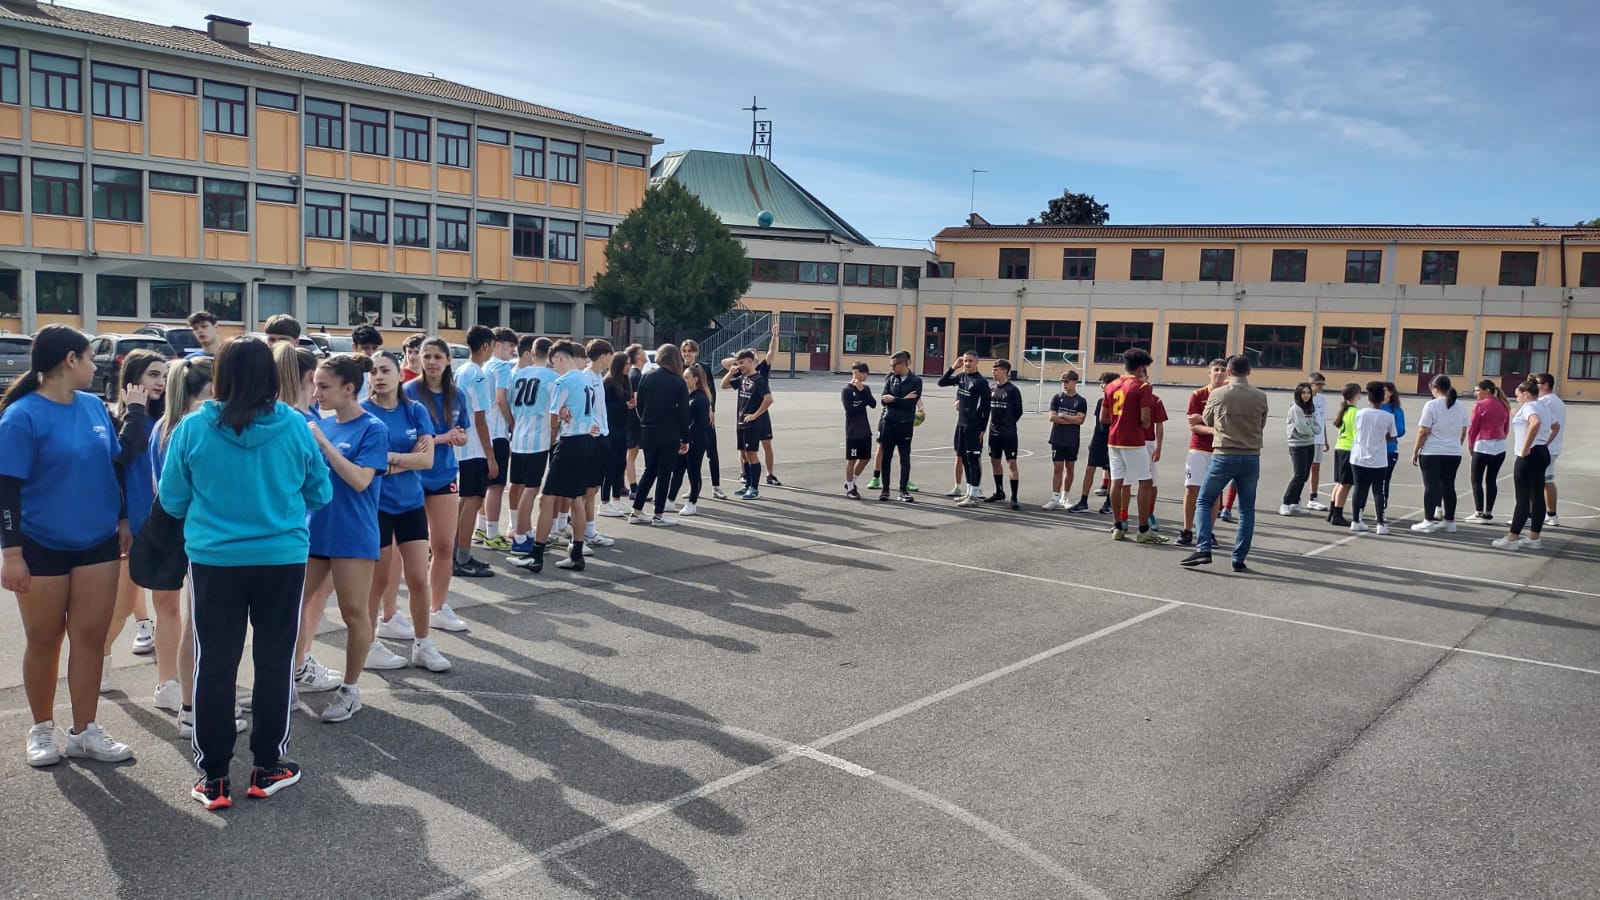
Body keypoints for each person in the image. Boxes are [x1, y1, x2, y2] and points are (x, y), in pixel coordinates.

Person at [158, 336, 331, 810]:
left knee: (215, 663)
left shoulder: (193, 428)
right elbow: (320, 493)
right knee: (274, 661)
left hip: (215, 560)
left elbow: (172, 499)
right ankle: (268, 765)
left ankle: (214, 776)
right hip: (281, 557)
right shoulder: (295, 426)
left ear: (221, 374)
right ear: (272, 377)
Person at [2, 325, 144, 767]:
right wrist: (11, 554)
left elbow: (113, 467)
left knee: (90, 637)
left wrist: (121, 517)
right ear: (69, 360)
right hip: (40, 545)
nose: (95, 365)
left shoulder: (92, 406)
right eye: (89, 357)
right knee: (44, 640)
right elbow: (6, 491)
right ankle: (42, 728)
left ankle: (84, 730)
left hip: (97, 541)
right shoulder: (21, 416)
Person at [150, 359, 245, 740]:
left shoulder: (170, 427)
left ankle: (197, 702)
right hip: (198, 539)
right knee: (200, 625)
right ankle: (192, 707)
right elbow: (176, 495)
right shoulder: (188, 429)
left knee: (201, 624)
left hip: (192, 537)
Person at [304, 354, 387, 722]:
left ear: (349, 389)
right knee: (290, 607)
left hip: (354, 533)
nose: (317, 392)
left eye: (324, 386)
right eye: (316, 385)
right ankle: (288, 677)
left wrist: (322, 441)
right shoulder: (326, 424)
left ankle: (350, 689)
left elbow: (360, 480)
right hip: (316, 530)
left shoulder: (373, 428)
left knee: (355, 613)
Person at [363, 352, 449, 675]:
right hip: (377, 506)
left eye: (385, 370)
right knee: (379, 580)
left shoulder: (415, 411)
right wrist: (405, 457)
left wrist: (391, 459)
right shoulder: (364, 413)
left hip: (411, 504)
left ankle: (423, 644)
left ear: (400, 374)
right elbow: (370, 465)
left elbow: (426, 461)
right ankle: (369, 644)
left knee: (417, 577)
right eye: (373, 371)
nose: (378, 376)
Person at [100, 351, 168, 701]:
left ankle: (170, 681)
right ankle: (101, 660)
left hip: (166, 529)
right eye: (153, 374)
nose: (160, 382)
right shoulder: (118, 420)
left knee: (169, 608)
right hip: (133, 529)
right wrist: (123, 518)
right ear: (132, 380)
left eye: (164, 375)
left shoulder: (171, 419)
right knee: (122, 606)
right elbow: (119, 466)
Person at [511, 340, 597, 573]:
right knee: (576, 498)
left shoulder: (564, 380)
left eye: (554, 364)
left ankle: (536, 555)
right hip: (586, 441)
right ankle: (577, 554)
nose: (555, 369)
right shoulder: (586, 379)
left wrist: (559, 418)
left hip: (568, 443)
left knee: (546, 498)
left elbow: (552, 421)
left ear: (558, 358)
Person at [404, 338, 470, 631]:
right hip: (412, 478)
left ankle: (439, 607)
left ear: (447, 361)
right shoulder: (408, 392)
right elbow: (408, 439)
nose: (431, 361)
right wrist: (443, 438)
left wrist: (459, 438)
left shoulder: (457, 395)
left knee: (443, 546)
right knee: (404, 551)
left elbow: (463, 432)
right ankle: (391, 613)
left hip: (444, 475)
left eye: (437, 357)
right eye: (426, 356)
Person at [1180, 355, 1269, 572]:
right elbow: (1262, 424)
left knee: (1204, 500)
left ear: (1228, 372)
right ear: (1249, 371)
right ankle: (1239, 557)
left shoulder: (1218, 394)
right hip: (1250, 455)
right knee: (1247, 509)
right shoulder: (1260, 396)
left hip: (1224, 453)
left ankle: (1203, 547)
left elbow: (1208, 420)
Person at [451, 326, 497, 578]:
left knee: (464, 502)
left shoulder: (461, 371)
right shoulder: (478, 374)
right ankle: (462, 557)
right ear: (486, 346)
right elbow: (480, 418)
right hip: (473, 448)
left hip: (462, 446)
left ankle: (457, 553)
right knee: (472, 501)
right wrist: (490, 455)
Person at [1102, 348, 1161, 542]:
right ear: (1142, 366)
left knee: (1117, 481)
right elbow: (1145, 420)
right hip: (1133, 440)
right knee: (1145, 482)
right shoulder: (1142, 387)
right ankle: (1143, 530)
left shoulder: (1111, 385)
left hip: (1113, 439)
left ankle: (1118, 526)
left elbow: (1104, 417)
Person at [628, 344, 690, 526]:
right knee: (664, 474)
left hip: (648, 430)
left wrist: (645, 420)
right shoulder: (678, 381)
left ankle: (636, 511)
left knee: (649, 471)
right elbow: (683, 413)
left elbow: (639, 404)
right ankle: (658, 514)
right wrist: (685, 438)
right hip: (669, 432)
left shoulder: (647, 377)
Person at [507, 337, 558, 555]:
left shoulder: (518, 374)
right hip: (537, 438)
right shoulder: (552, 377)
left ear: (533, 352)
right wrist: (554, 433)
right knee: (531, 488)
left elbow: (510, 403)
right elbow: (555, 410)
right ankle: (520, 537)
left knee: (518, 486)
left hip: (518, 435)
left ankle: (524, 531)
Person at [1493, 381, 1549, 550]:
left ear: (1525, 394)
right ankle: (1534, 537)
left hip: (1529, 454)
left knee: (1523, 498)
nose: (1517, 399)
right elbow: (1554, 426)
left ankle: (1512, 537)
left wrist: (1525, 447)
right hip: (1541, 451)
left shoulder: (1529, 407)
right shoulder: (1542, 406)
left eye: (1518, 396)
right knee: (1537, 496)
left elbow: (1535, 422)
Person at [1410, 374, 1469, 533]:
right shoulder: (1460, 406)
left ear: (1434, 388)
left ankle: (1428, 520)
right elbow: (1464, 431)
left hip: (1433, 451)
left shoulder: (1431, 405)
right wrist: (1456, 445)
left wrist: (1416, 450)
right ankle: (1449, 521)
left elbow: (1423, 430)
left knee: (1431, 486)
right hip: (1453, 452)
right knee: (1449, 486)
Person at [477, 327, 518, 551]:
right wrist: (513, 424)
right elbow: (501, 399)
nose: (513, 351)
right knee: (496, 485)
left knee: (485, 484)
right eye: (510, 345)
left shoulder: (484, 366)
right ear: (498, 344)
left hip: (483, 432)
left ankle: (482, 527)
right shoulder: (502, 367)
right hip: (497, 431)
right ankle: (492, 534)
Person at [1179, 360, 1227, 544]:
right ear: (1209, 373)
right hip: (1198, 448)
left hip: (1220, 450)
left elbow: (1228, 424)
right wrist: (1214, 428)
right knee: (1192, 489)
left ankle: (1207, 533)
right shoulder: (1198, 395)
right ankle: (1186, 530)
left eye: (1223, 370)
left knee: (1215, 492)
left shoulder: (1228, 396)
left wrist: (1204, 420)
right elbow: (1193, 425)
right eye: (1216, 370)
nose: (1220, 373)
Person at [938, 351, 990, 509]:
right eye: (965, 361)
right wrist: (953, 367)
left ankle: (974, 494)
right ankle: (968, 492)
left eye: (970, 361)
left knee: (973, 460)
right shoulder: (961, 377)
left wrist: (982, 428)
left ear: (977, 362)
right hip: (961, 425)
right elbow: (941, 382)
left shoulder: (981, 382)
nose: (967, 364)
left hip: (973, 426)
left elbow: (986, 407)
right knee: (963, 458)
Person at [722, 348, 774, 500]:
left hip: (752, 424)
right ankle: (747, 485)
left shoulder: (759, 379)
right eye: (738, 363)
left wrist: (755, 415)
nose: (740, 366)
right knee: (744, 454)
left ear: (751, 362)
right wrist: (731, 372)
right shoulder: (743, 378)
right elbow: (724, 385)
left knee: (751, 454)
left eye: (742, 363)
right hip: (740, 422)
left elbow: (768, 399)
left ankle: (754, 488)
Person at [1349, 382, 1398, 535]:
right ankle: (1380, 524)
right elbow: (1392, 436)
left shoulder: (1359, 413)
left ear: (1368, 398)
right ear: (1382, 399)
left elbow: (1356, 430)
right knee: (1378, 490)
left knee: (1359, 488)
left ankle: (1356, 520)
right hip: (1378, 458)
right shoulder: (1388, 416)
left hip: (1359, 456)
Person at [680, 340, 727, 499]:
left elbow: (711, 390)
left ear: (696, 352)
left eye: (690, 351)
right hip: (688, 416)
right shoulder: (679, 369)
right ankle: (693, 487)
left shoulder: (703, 368)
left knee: (712, 451)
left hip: (704, 414)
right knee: (691, 454)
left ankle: (716, 486)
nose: (687, 354)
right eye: (684, 351)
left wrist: (711, 409)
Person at [1067, 372, 1117, 514]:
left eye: (1104, 382)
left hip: (1112, 440)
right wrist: (1092, 440)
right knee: (1090, 469)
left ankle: (1109, 502)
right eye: (1100, 383)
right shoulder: (1101, 401)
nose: (1101, 385)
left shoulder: (1119, 401)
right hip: (1098, 439)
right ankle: (1083, 501)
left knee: (1112, 472)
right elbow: (1098, 423)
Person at [668, 364, 714, 515]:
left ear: (695, 379)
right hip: (685, 440)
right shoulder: (686, 396)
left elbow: (699, 424)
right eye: (683, 377)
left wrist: (688, 440)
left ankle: (692, 503)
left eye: (687, 377)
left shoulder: (700, 399)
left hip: (696, 441)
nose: (684, 379)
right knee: (677, 471)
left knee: (693, 472)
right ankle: (670, 500)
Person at [877, 351, 921, 503]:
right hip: (888, 423)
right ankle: (885, 489)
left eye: (894, 365)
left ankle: (903, 490)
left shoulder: (916, 381)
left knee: (904, 458)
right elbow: (883, 399)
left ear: (903, 364)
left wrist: (894, 399)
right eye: (890, 365)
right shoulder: (890, 378)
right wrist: (901, 399)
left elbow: (911, 403)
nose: (891, 368)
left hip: (905, 424)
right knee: (886, 457)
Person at [1465, 380, 1511, 524]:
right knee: (1491, 480)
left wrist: (1471, 446)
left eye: (1478, 390)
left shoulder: (1479, 405)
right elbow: (1506, 428)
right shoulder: (1504, 404)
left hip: (1483, 444)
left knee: (1476, 479)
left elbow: (1473, 429)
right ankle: (1489, 512)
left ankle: (1479, 512)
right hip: (1500, 446)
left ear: (1487, 390)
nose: (1475, 393)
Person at [1042, 371, 1088, 511]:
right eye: (1063, 382)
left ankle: (1064, 496)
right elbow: (1052, 417)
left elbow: (1080, 420)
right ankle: (1055, 497)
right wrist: (1069, 419)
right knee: (1058, 468)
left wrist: (1063, 416)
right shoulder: (1057, 398)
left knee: (1070, 467)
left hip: (1072, 440)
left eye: (1067, 382)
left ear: (1074, 382)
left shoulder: (1080, 401)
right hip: (1058, 438)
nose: (1065, 385)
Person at [985, 359, 1024, 510]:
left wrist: (1008, 423)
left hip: (1009, 433)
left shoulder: (1013, 390)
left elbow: (1018, 411)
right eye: (993, 370)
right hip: (993, 433)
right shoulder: (992, 388)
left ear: (1004, 371)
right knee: (995, 461)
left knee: (1012, 463)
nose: (993, 372)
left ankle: (1014, 497)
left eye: (996, 370)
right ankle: (999, 491)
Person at [599, 351, 633, 517]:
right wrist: (625, 405)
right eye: (626, 364)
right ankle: (604, 502)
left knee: (621, 464)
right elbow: (605, 407)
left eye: (629, 364)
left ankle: (616, 499)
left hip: (621, 429)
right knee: (610, 467)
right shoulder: (609, 382)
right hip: (610, 430)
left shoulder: (624, 381)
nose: (629, 367)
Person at [1280, 382, 1321, 516]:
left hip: (1309, 444)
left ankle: (1295, 503)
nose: (1306, 395)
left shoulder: (1310, 407)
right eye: (1303, 393)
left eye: (1308, 393)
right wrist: (1312, 429)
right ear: (1298, 394)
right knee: (1298, 475)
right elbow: (1302, 428)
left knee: (1304, 475)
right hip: (1297, 444)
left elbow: (1317, 426)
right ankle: (1285, 503)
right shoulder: (1296, 408)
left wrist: (1312, 429)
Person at [1324, 382, 1361, 528]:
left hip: (1340, 447)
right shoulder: (1355, 412)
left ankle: (1332, 511)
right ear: (1356, 395)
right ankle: (1338, 514)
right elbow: (1358, 434)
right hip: (1348, 449)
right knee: (1346, 484)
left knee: (1339, 483)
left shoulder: (1345, 411)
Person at [841, 362, 877, 500]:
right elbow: (851, 410)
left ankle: (851, 480)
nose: (866, 376)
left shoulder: (865, 388)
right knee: (851, 459)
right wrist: (863, 402)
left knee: (866, 458)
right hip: (853, 430)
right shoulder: (846, 390)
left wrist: (863, 392)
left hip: (865, 429)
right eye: (864, 373)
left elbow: (873, 404)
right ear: (856, 373)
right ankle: (850, 488)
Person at [1535, 374, 1566, 526]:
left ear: (1546, 385)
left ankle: (1531, 514)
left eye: (1537, 383)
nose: (1535, 386)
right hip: (1553, 446)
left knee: (1535, 480)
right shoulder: (1557, 400)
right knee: (1547, 480)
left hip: (1545, 446)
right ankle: (1551, 514)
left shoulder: (1543, 401)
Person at [1303, 372, 1330, 511]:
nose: (1321, 387)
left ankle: (1313, 497)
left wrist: (1325, 439)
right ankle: (1294, 498)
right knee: (1302, 470)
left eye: (1322, 384)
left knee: (1316, 467)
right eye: (1318, 384)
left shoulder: (1322, 399)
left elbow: (1322, 419)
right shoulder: (1305, 398)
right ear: (1311, 384)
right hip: (1307, 439)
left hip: (1318, 439)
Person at [623, 343, 646, 496]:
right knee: (631, 455)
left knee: (631, 455)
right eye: (642, 351)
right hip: (634, 422)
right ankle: (634, 489)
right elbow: (635, 401)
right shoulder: (636, 375)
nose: (645, 354)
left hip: (631, 422)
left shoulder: (633, 374)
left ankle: (625, 486)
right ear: (637, 356)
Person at [1379, 382, 1406, 514]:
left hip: (1389, 449)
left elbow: (1401, 429)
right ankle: (1361, 509)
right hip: (1374, 449)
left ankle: (1382, 509)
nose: (1382, 393)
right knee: (1369, 480)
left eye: (1384, 390)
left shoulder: (1396, 410)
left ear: (1390, 392)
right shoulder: (1375, 408)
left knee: (1384, 480)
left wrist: (1389, 433)